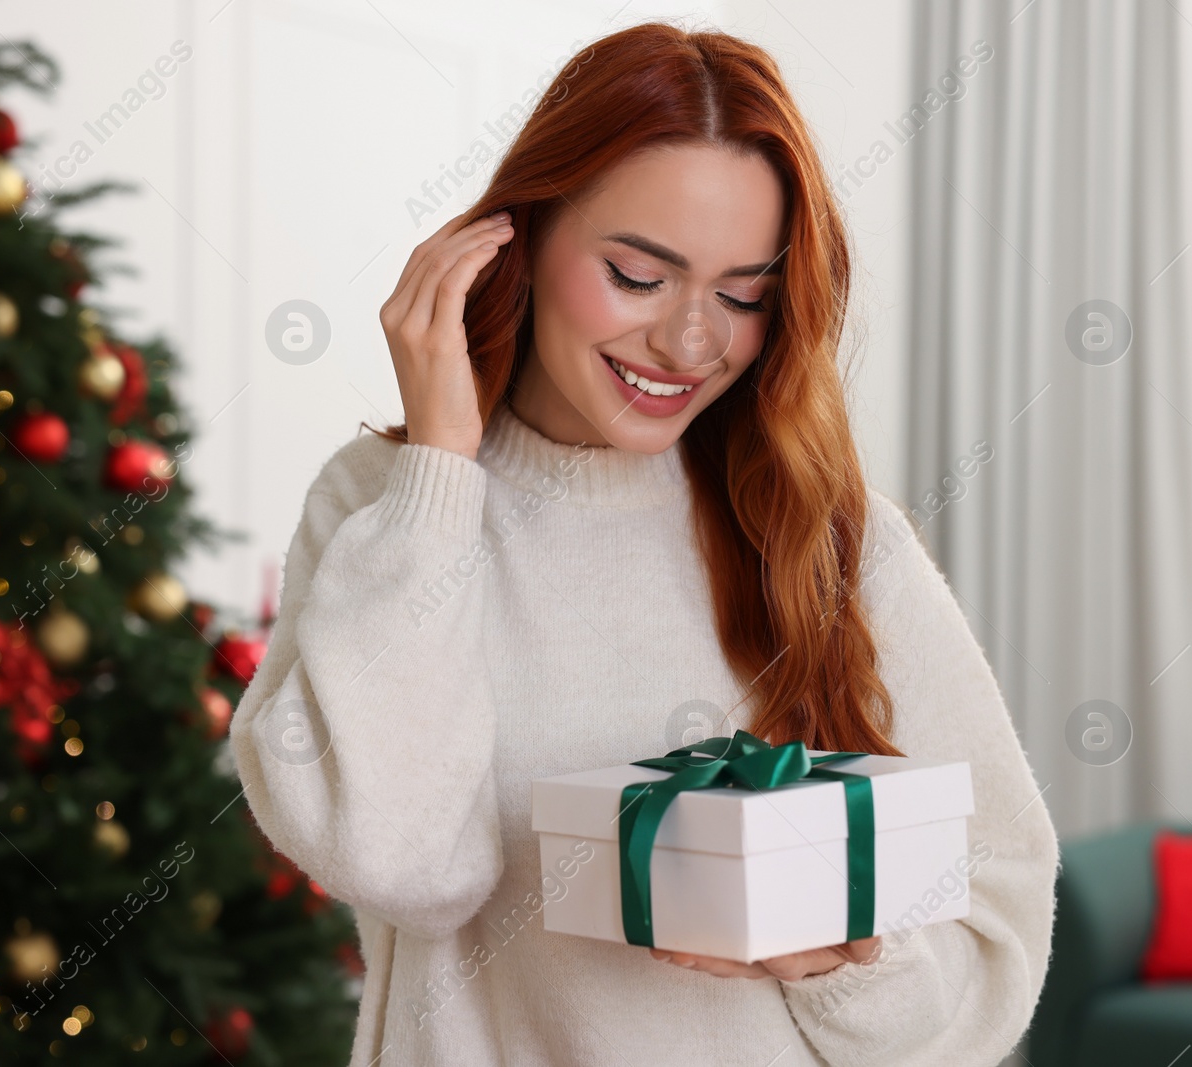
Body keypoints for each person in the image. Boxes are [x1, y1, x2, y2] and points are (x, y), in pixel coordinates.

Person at [228, 20, 1057, 1067]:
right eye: (637, 274)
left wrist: (847, 961)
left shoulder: (832, 538)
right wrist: (440, 466)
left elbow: (997, 924)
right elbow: (401, 862)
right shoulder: (382, 508)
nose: (691, 342)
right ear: (516, 241)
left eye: (743, 292)